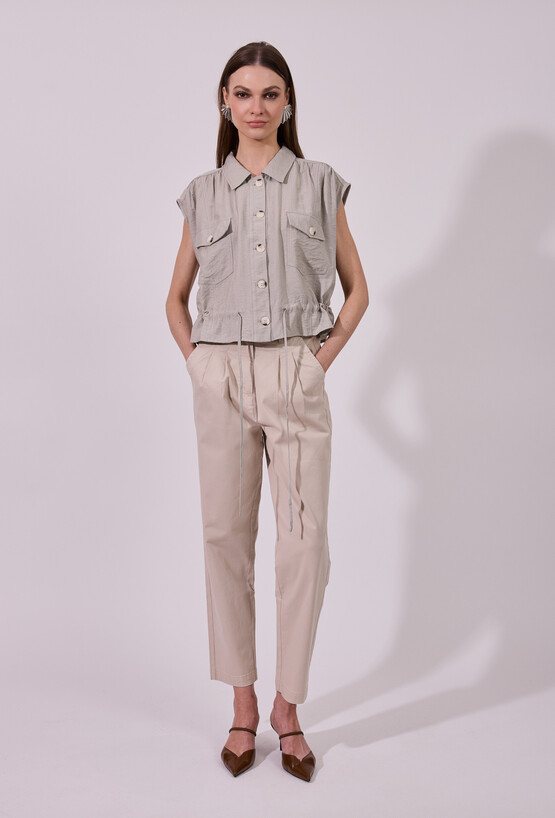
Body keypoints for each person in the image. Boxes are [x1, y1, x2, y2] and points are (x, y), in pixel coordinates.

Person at [166, 41, 369, 781]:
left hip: (294, 368)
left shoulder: (318, 183)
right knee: (224, 536)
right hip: (220, 374)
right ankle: (243, 704)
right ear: (225, 102)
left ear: (288, 104)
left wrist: (316, 363)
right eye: (243, 93)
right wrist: (199, 364)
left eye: (270, 93)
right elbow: (174, 298)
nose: (256, 106)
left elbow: (357, 290)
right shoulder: (201, 193)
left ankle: (289, 705)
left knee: (303, 545)